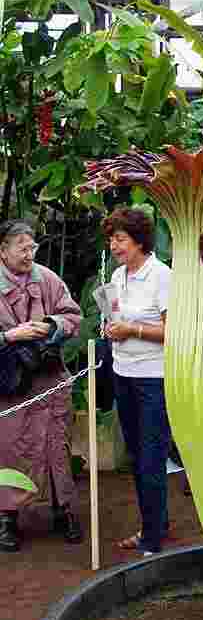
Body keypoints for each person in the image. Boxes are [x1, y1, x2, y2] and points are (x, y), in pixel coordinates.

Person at [0, 220, 82, 552]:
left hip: (49, 379)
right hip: (12, 385)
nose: (28, 252)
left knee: (56, 445)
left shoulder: (47, 278)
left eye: (31, 246)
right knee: (10, 448)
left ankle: (64, 511)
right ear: (2, 250)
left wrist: (51, 325)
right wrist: (10, 336)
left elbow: (73, 316)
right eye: (20, 246)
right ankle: (7, 519)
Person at [102, 206, 172, 556]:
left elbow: (175, 331)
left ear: (140, 240)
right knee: (135, 454)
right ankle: (154, 525)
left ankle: (153, 538)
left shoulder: (161, 276)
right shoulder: (118, 277)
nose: (115, 246)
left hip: (153, 379)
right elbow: (115, 316)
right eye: (112, 239)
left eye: (121, 239)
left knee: (151, 456)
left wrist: (134, 330)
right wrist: (112, 329)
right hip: (123, 373)